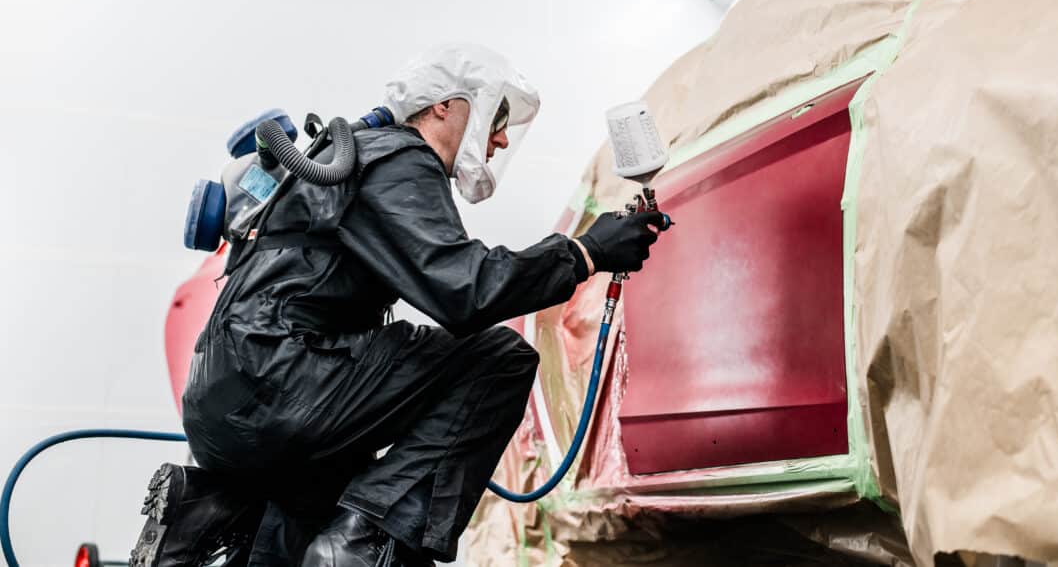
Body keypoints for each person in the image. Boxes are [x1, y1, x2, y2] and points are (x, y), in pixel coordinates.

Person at [130, 44, 669, 567]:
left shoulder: (340, 161)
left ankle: (207, 514)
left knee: (319, 509)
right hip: (283, 383)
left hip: (223, 403)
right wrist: (585, 251)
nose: (501, 138)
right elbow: (466, 291)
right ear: (444, 105)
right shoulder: (397, 157)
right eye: (496, 117)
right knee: (497, 359)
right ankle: (364, 545)